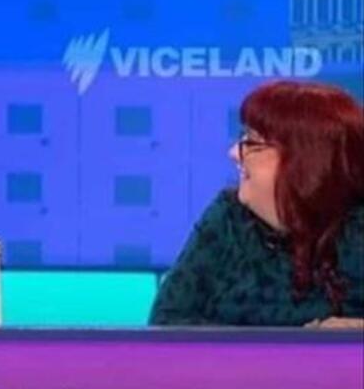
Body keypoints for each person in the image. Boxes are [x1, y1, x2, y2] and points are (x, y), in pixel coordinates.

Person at [150, 80, 363, 327]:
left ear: (304, 159)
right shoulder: (229, 218)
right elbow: (167, 323)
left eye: (252, 142)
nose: (233, 152)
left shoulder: (357, 228)